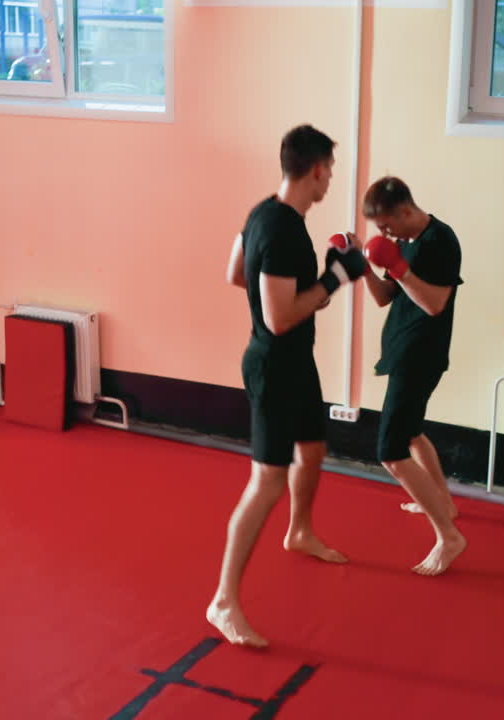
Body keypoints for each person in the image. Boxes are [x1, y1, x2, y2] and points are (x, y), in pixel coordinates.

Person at [207, 125, 367, 648]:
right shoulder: (281, 231)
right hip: (275, 365)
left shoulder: (263, 214)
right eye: (330, 172)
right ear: (317, 170)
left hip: (296, 363)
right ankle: (224, 601)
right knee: (266, 482)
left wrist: (319, 279)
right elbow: (278, 318)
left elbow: (235, 274)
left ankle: (299, 530)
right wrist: (334, 280)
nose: (330, 181)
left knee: (314, 448)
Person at [357, 176, 467, 576]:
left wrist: (399, 266)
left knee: (391, 450)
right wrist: (361, 266)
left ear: (406, 210)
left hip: (421, 354)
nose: (385, 234)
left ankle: (448, 536)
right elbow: (386, 297)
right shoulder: (403, 243)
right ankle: (442, 500)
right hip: (402, 348)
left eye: (387, 226)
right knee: (413, 431)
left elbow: (435, 303)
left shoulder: (440, 241)